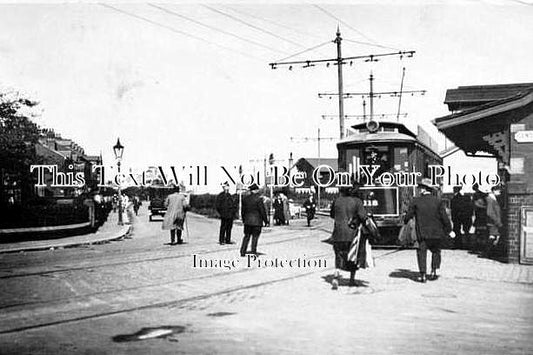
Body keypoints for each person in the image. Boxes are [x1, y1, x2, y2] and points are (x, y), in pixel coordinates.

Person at [404, 178, 452, 283]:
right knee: (436, 251)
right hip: (436, 232)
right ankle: (434, 270)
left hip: (421, 232)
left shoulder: (416, 201)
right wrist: (448, 229)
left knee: (421, 252)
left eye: (420, 188)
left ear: (423, 189)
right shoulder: (438, 201)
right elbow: (444, 218)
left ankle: (423, 274)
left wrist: (405, 219)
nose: (419, 190)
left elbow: (408, 216)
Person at [329, 186, 369, 288]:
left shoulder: (336, 201)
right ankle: (352, 280)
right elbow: (363, 216)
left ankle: (336, 275)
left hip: (337, 233)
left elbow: (332, 215)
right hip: (352, 234)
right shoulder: (357, 201)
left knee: (338, 255)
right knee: (353, 257)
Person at [240, 183, 269, 257]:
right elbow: (262, 211)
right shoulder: (259, 199)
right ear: (256, 190)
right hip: (257, 221)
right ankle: (253, 251)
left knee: (246, 236)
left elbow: (243, 211)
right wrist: (266, 221)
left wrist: (244, 219)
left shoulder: (245, 199)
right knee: (255, 237)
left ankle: (242, 251)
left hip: (247, 221)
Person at [485, 185, 503, 258]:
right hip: (493, 223)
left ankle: (489, 253)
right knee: (493, 237)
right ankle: (488, 253)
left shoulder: (492, 199)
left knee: (494, 237)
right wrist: (497, 221)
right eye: (498, 191)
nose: (499, 193)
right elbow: (489, 212)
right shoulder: (491, 199)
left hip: (493, 222)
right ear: (494, 191)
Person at [472, 183, 488, 251]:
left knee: (478, 232)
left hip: (479, 216)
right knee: (483, 232)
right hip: (483, 216)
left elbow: (475, 204)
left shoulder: (476, 195)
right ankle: (482, 245)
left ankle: (478, 245)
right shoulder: (483, 194)